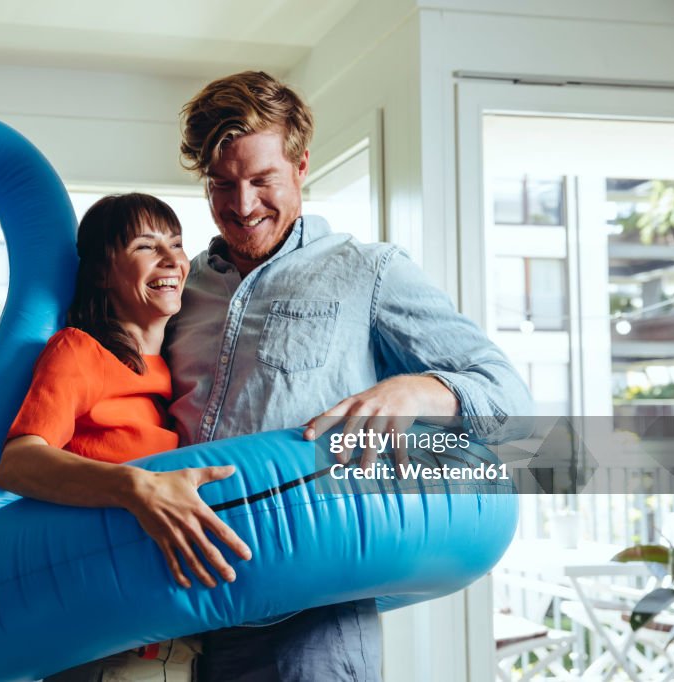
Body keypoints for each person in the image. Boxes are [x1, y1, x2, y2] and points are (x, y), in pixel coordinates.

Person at [166, 70, 534, 682]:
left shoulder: (368, 272)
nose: (242, 205)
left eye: (263, 180)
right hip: (184, 611)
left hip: (312, 618)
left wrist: (419, 388)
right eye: (221, 185)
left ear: (301, 165)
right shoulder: (183, 286)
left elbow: (507, 395)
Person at [0, 193, 252, 681]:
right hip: (109, 650)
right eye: (145, 246)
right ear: (100, 272)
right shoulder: (79, 351)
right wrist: (134, 486)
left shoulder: (179, 370)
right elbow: (19, 462)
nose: (172, 259)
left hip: (184, 647)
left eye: (176, 244)